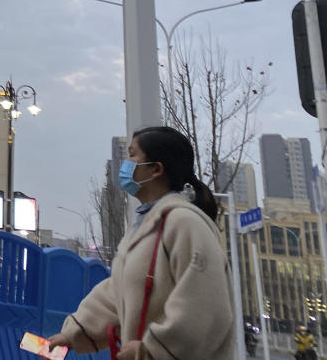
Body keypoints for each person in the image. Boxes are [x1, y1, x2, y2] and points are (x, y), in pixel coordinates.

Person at [49, 126, 234, 360]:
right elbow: (119, 291)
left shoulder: (185, 223)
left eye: (133, 155)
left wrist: (153, 350)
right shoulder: (144, 226)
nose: (126, 164)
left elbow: (205, 306)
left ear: (156, 169)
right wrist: (72, 334)